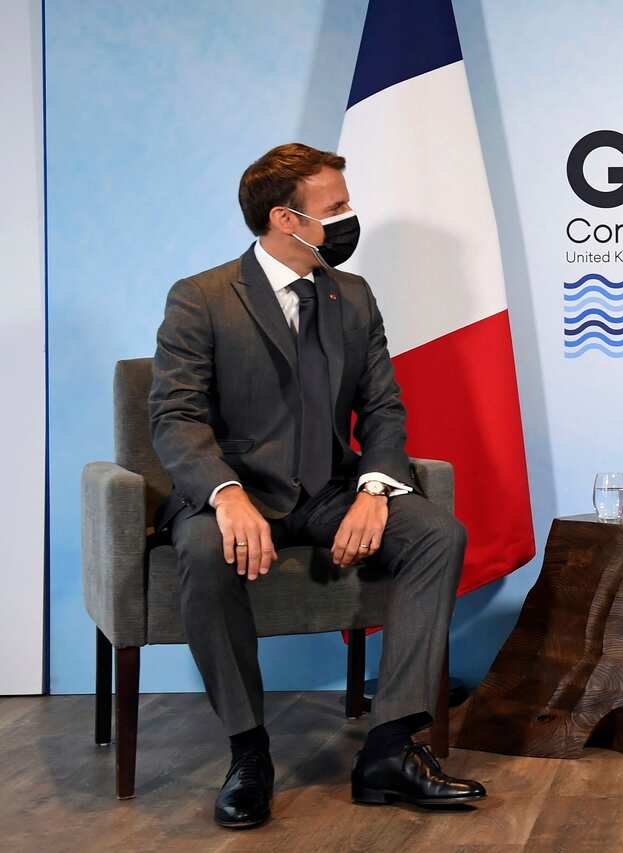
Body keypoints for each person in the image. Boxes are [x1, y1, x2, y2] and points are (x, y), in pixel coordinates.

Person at [150, 143, 485, 829]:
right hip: (236, 497)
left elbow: (384, 407)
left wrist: (373, 489)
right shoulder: (202, 297)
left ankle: (390, 748)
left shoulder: (352, 296)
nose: (348, 218)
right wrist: (225, 492)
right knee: (204, 550)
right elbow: (174, 416)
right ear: (285, 218)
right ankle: (248, 754)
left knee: (436, 534)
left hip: (332, 491)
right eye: (335, 208)